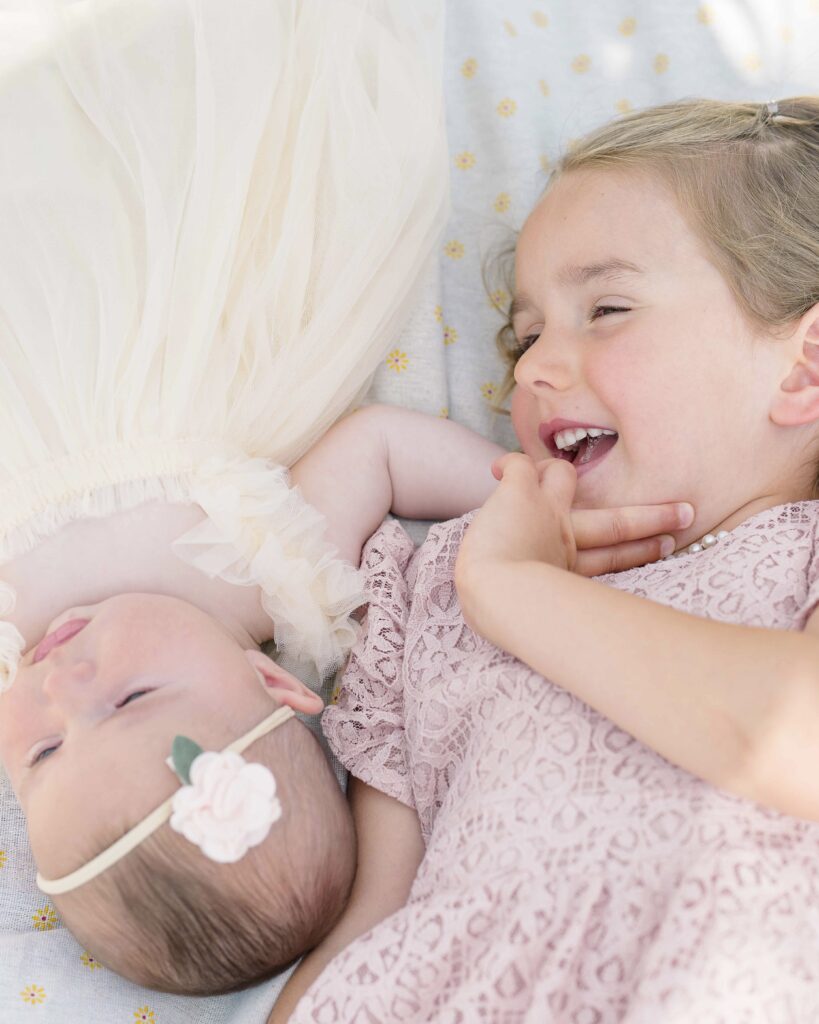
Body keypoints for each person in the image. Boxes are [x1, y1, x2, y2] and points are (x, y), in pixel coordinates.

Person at [0, 0, 683, 998]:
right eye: (134, 697)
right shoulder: (255, 582)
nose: (63, 686)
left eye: (45, 752)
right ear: (275, 684)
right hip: (138, 304)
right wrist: (539, 513)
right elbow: (384, 450)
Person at [269, 96, 819, 1022]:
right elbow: (370, 927)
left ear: (803, 372)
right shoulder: (439, 585)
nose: (528, 371)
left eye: (605, 309)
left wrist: (518, 591)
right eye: (522, 338)